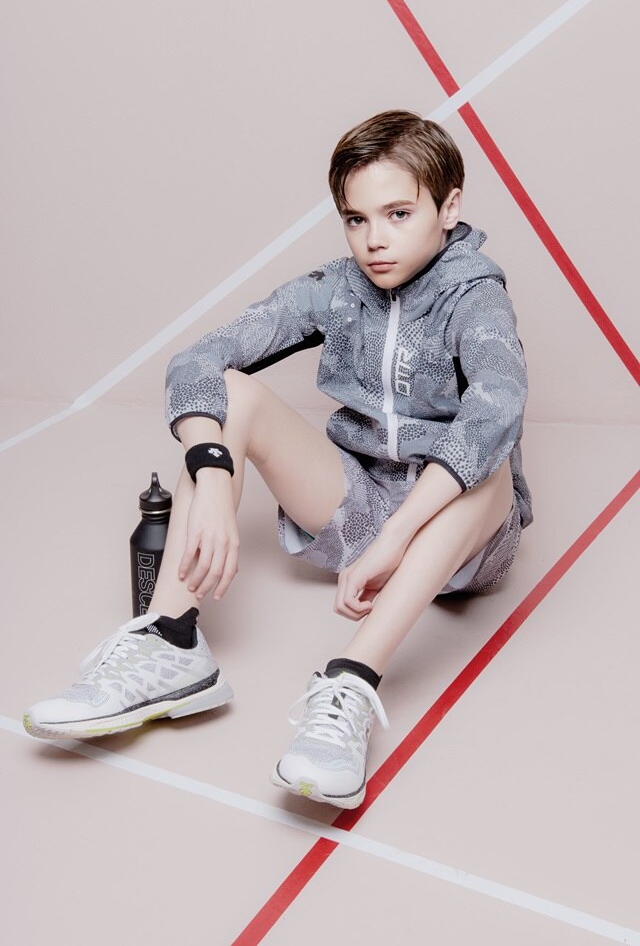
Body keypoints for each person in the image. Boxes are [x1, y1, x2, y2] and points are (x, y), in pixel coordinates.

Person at [24, 110, 532, 810]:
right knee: (230, 396)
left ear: (449, 208)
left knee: (492, 466)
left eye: (398, 213)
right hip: (357, 510)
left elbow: (495, 412)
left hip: (457, 538)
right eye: (356, 219)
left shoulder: (475, 298)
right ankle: (171, 643)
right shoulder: (337, 287)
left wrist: (398, 534)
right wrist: (211, 475)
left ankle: (351, 681)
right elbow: (199, 360)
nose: (375, 239)